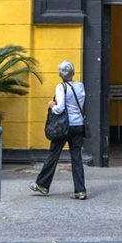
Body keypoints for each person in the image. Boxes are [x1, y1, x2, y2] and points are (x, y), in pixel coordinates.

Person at [31, 61, 88, 200]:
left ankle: (42, 185)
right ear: (73, 73)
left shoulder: (61, 87)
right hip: (79, 125)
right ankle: (80, 191)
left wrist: (52, 106)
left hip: (64, 126)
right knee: (77, 158)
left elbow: (60, 108)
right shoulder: (80, 86)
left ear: (60, 74)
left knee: (53, 154)